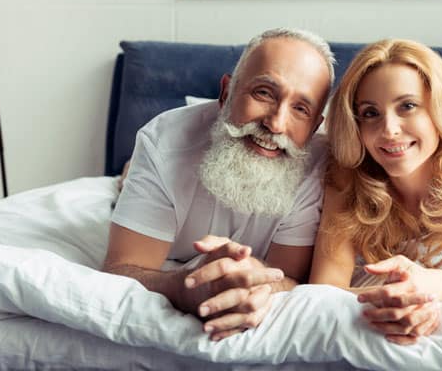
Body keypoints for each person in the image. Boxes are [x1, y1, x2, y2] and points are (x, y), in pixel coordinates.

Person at [103, 28, 335, 341]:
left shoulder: (318, 164)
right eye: (264, 93)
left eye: (300, 109)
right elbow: (121, 269)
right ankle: (128, 174)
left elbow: (291, 277)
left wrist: (258, 284)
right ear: (225, 92)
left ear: (315, 127)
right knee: (127, 181)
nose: (276, 124)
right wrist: (187, 287)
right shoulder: (162, 143)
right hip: (174, 151)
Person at [309, 39, 442, 345]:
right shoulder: (346, 169)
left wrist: (428, 285)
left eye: (407, 106)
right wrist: (403, 300)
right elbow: (325, 288)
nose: (389, 129)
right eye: (370, 113)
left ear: (439, 108)